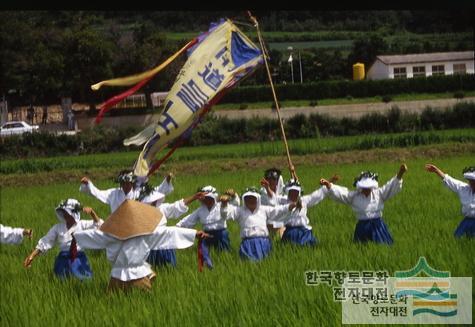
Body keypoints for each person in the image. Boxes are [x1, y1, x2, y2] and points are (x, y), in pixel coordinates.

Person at [73, 199, 210, 292]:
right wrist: (193, 234)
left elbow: (91, 236)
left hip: (123, 276)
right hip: (129, 275)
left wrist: (76, 236)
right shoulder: (142, 234)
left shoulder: (113, 234)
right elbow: (168, 233)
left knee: (120, 304)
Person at [321, 164, 407, 245]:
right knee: (361, 248)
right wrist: (328, 185)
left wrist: (400, 173)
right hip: (362, 227)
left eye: (368, 188)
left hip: (378, 226)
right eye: (364, 188)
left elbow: (390, 187)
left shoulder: (379, 194)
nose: (366, 190)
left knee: (383, 246)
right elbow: (342, 193)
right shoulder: (354, 196)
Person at [23, 199, 103, 280]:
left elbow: (99, 225)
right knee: (61, 281)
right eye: (63, 213)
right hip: (63, 260)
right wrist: (31, 256)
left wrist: (92, 213)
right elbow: (45, 242)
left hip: (78, 257)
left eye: (67, 213)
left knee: (82, 280)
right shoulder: (58, 228)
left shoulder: (81, 224)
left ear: (73, 213)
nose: (65, 215)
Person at [220, 186, 298, 261]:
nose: (251, 200)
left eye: (253, 198)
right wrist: (224, 205)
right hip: (248, 243)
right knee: (248, 264)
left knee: (266, 263)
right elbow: (226, 215)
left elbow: (277, 210)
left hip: (264, 242)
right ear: (244, 199)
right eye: (248, 198)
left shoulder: (263, 209)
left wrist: (289, 206)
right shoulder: (240, 211)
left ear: (257, 199)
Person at [140, 189, 207, 268]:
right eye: (152, 201)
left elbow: (176, 206)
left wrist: (194, 197)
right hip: (151, 247)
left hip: (166, 245)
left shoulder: (161, 208)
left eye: (155, 201)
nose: (154, 203)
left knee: (168, 270)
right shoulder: (141, 214)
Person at [176, 186, 240, 269]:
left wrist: (234, 195)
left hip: (221, 234)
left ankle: (225, 267)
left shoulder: (222, 205)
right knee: (203, 253)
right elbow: (188, 221)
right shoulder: (200, 210)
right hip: (206, 234)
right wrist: (176, 227)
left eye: (209, 198)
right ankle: (208, 267)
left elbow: (236, 204)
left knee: (224, 254)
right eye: (205, 199)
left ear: (214, 197)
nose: (207, 201)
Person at [266, 178, 330, 246]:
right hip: (289, 232)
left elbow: (316, 195)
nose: (293, 194)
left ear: (299, 193)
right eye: (291, 192)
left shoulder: (304, 200)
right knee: (289, 249)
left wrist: (327, 184)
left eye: (296, 192)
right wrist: (267, 188)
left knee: (307, 247)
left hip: (303, 232)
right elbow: (273, 197)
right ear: (288, 192)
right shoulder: (284, 200)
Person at [425, 164, 475, 238]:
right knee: (457, 238)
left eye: (473, 181)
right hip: (467, 221)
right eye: (470, 181)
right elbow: (451, 181)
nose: (471, 183)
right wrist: (437, 171)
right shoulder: (464, 188)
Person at [260, 168, 286, 238]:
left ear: (278, 181)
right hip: (267, 228)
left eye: (274, 180)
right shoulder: (262, 195)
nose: (271, 182)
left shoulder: (284, 194)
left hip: (281, 227)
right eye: (269, 180)